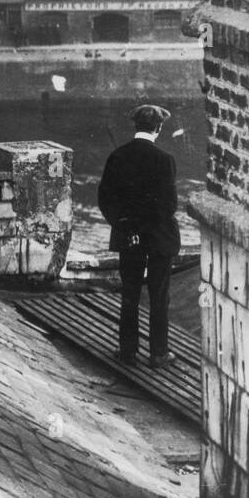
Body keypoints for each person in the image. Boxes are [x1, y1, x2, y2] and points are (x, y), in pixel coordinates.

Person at [97, 104, 181, 369]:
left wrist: (125, 224)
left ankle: (127, 351)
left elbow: (105, 200)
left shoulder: (117, 156)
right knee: (159, 296)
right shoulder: (165, 159)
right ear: (158, 128)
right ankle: (158, 353)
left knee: (130, 293)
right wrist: (147, 226)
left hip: (129, 236)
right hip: (157, 238)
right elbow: (168, 206)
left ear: (136, 125)